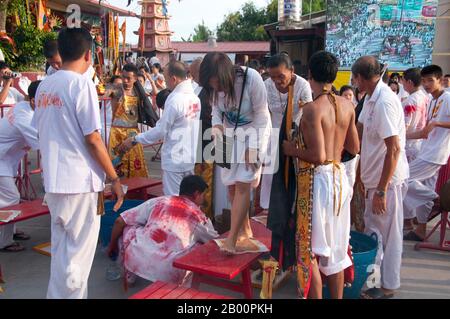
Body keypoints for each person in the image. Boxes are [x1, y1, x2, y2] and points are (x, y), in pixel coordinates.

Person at [32, 27, 125, 299]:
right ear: (89, 54)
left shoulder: (45, 85)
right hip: (80, 183)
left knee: (61, 255)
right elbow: (93, 139)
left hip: (55, 183)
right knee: (77, 261)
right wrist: (115, 179)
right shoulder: (81, 83)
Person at [281, 51, 359, 299]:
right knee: (336, 251)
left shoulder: (313, 109)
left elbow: (317, 154)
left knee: (308, 251)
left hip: (320, 183)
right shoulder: (348, 106)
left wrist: (291, 149)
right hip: (340, 178)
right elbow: (355, 148)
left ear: (310, 75)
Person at [199, 52, 271, 254]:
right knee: (230, 185)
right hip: (228, 134)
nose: (217, 89)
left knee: (243, 184)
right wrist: (215, 128)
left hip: (254, 133)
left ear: (226, 74)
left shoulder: (252, 78)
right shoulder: (212, 88)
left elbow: (262, 115)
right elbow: (215, 112)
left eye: (218, 84)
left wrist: (254, 147)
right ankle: (245, 231)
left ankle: (232, 238)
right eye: (212, 86)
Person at [352, 56, 409, 299]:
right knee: (372, 234)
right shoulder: (370, 99)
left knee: (388, 236)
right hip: (373, 178)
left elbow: (393, 149)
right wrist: (358, 177)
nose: (353, 83)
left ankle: (387, 286)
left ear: (361, 78)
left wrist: (382, 190)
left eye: (354, 78)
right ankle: (374, 283)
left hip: (388, 181)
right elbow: (361, 135)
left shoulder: (385, 101)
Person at [107, 175, 218, 285]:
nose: (204, 198)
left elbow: (119, 221)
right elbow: (215, 241)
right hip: (168, 271)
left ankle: (130, 275)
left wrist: (112, 246)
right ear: (196, 194)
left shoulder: (159, 201)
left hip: (138, 258)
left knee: (128, 226)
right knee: (200, 245)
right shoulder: (198, 216)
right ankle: (183, 287)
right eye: (203, 195)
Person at [119, 61, 201, 196]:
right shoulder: (194, 98)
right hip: (189, 157)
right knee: (188, 200)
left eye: (166, 78)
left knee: (173, 200)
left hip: (174, 159)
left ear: (173, 79)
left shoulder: (175, 99)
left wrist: (135, 139)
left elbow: (161, 130)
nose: (164, 82)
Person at [260, 53, 312, 214]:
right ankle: (267, 209)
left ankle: (292, 207)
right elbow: (262, 113)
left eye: (281, 76)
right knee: (269, 173)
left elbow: (308, 114)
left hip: (295, 134)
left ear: (292, 71)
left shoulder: (303, 85)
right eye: (273, 76)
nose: (277, 81)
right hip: (272, 133)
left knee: (292, 174)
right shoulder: (265, 85)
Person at [403, 65, 450, 241]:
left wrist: (438, 124)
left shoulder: (447, 98)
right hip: (426, 149)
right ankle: (421, 230)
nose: (426, 84)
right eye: (424, 80)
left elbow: (434, 126)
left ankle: (438, 199)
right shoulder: (431, 100)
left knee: (402, 179)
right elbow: (424, 133)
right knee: (424, 190)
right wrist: (401, 135)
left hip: (434, 154)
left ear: (440, 80)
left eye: (430, 80)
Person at [0, 81, 40, 252]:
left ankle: (11, 231)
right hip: (1, 161)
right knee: (10, 198)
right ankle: (4, 241)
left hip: (6, 161)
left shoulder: (23, 107)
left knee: (8, 200)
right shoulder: (26, 117)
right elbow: (43, 142)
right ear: (33, 100)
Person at [108, 64, 149, 178]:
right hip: (116, 133)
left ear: (135, 78)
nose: (125, 81)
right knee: (116, 167)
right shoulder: (115, 89)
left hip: (133, 133)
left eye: (129, 78)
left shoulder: (139, 92)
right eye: (123, 77)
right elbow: (101, 92)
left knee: (136, 165)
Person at [401, 68, 429, 163]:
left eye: (403, 80)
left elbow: (405, 125)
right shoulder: (425, 97)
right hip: (421, 143)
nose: (402, 83)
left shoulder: (410, 101)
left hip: (409, 144)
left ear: (409, 82)